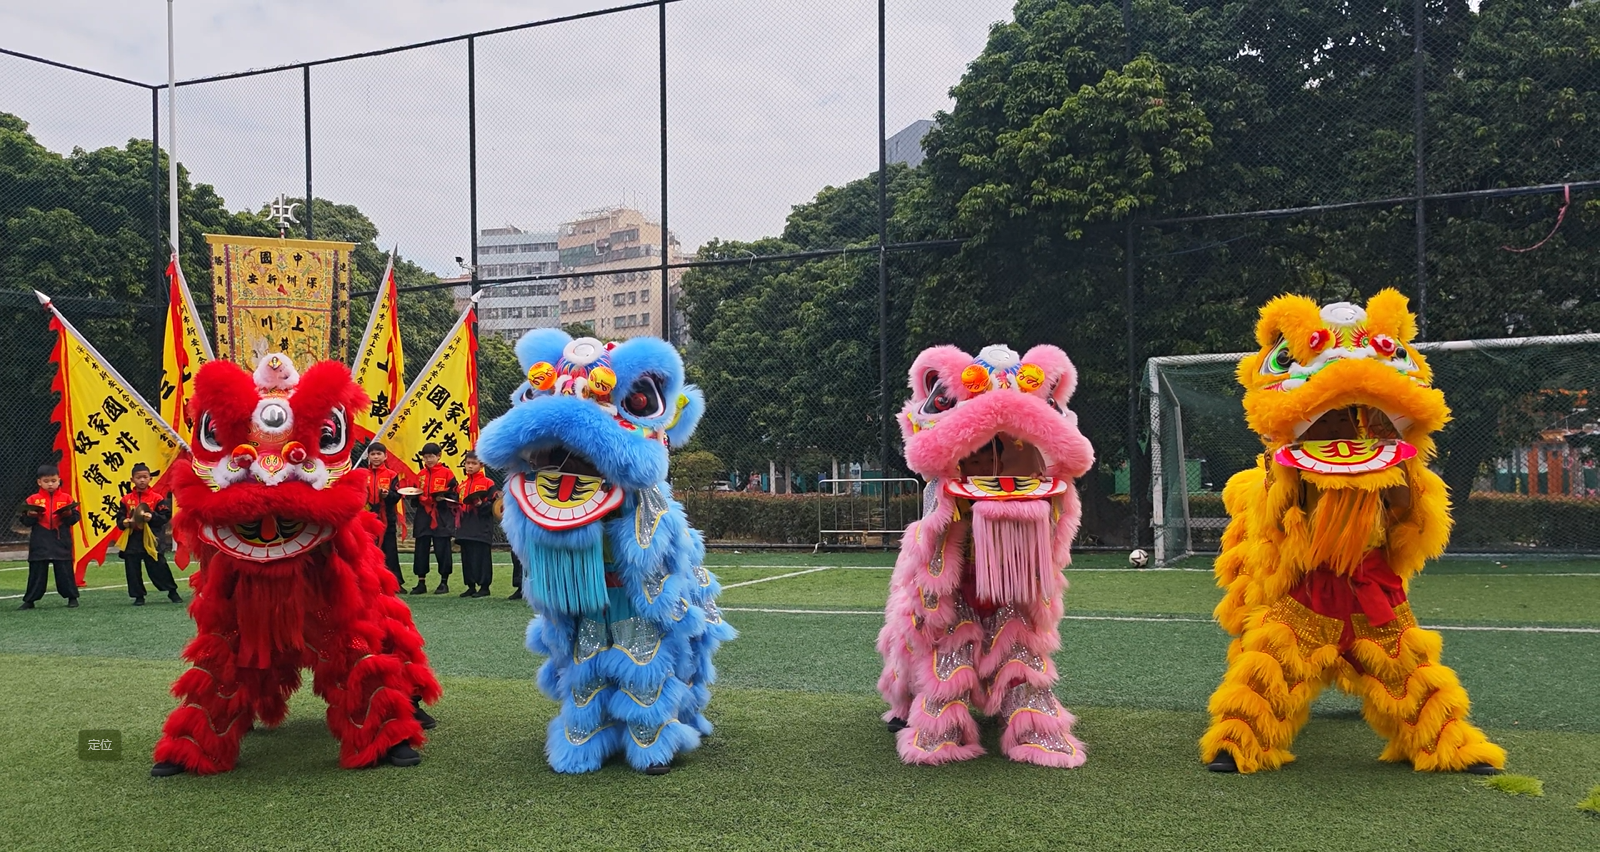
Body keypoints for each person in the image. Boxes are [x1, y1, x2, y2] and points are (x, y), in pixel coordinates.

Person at [116, 462, 181, 606]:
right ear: (132, 479)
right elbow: (119, 518)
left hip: (153, 537)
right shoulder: (125, 499)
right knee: (132, 568)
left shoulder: (157, 498)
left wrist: (152, 517)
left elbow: (165, 516)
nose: (142, 480)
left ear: (150, 479)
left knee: (159, 565)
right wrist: (124, 522)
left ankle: (172, 591)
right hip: (132, 538)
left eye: (145, 477)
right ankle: (138, 596)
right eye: (138, 477)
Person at [18, 463, 79, 610]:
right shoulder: (32, 499)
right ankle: (30, 600)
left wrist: (68, 514)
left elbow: (75, 519)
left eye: (53, 481)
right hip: (40, 539)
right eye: (46, 481)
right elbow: (24, 521)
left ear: (59, 480)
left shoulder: (67, 498)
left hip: (61, 539)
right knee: (37, 570)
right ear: (39, 482)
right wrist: (31, 516)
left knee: (64, 569)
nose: (50, 484)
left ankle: (72, 597)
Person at [408, 442, 457, 595]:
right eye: (426, 457)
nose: (429, 460)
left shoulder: (447, 473)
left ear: (439, 456)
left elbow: (454, 495)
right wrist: (416, 497)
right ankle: (421, 582)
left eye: (431, 456)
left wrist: (444, 497)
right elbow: (414, 500)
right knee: (421, 548)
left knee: (442, 548)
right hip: (423, 516)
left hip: (441, 515)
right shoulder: (420, 475)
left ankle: (444, 582)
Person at [454, 450, 500, 598]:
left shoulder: (488, 483)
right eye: (468, 463)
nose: (470, 466)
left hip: (481, 526)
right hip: (465, 526)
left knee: (481, 556)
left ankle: (484, 586)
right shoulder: (461, 485)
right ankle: (470, 585)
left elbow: (494, 505)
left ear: (481, 465)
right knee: (466, 557)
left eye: (473, 463)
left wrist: (481, 505)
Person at [364, 442, 405, 589]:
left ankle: (395, 583)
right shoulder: (363, 475)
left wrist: (387, 495)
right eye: (373, 454)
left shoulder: (391, 475)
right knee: (369, 551)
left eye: (378, 454)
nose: (376, 457)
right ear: (368, 456)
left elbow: (397, 496)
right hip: (368, 519)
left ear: (385, 456)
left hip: (387, 517)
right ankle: (370, 582)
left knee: (390, 550)